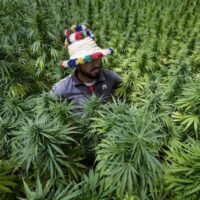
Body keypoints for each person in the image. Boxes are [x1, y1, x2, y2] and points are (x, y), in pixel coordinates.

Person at [51, 24, 122, 107]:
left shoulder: (111, 77)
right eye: (89, 61)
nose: (96, 64)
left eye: (97, 58)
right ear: (77, 64)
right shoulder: (62, 88)